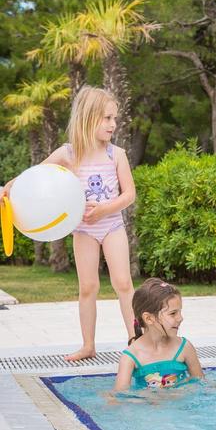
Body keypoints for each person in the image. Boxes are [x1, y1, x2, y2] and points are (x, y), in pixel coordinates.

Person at [2, 86, 136, 361]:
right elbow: (34, 176)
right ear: (89, 118)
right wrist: (7, 188)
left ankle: (137, 342)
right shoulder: (68, 154)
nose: (113, 124)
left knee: (122, 283)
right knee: (87, 287)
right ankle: (88, 345)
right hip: (83, 230)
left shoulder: (116, 154)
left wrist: (104, 210)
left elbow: (129, 195)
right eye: (107, 118)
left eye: (114, 119)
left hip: (111, 226)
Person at [113, 278, 203, 391]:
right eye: (173, 313)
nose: (180, 318)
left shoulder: (184, 347)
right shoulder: (131, 357)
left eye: (180, 312)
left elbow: (201, 384)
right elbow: (120, 397)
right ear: (149, 318)